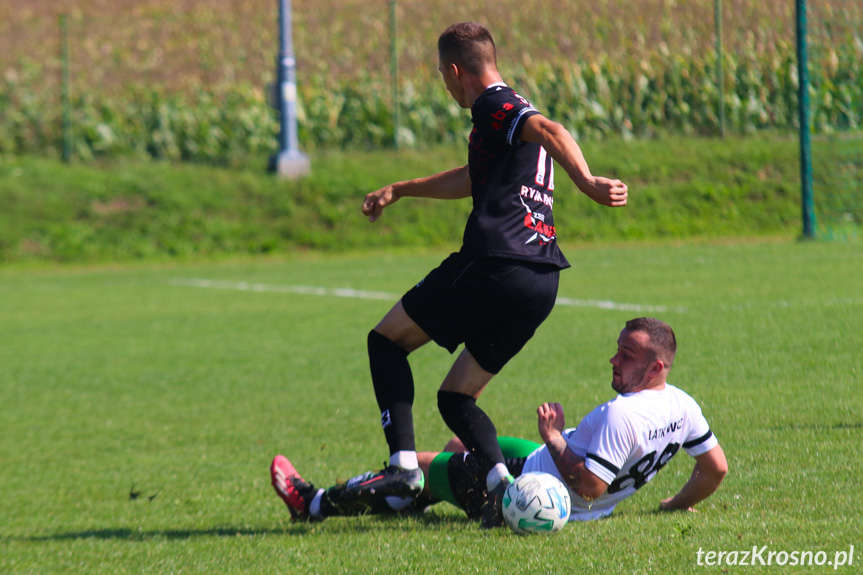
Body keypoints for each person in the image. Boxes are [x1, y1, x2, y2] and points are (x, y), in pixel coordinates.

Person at [351, 22, 629, 527]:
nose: (445, 85)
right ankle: (505, 493)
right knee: (456, 397)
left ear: (457, 71)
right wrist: (401, 188)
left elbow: (551, 130)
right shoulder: (502, 120)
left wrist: (587, 183)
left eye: (442, 75)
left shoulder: (492, 103)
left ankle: (403, 471)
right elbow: (470, 177)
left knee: (385, 342)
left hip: (495, 263)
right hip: (541, 280)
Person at [271, 318, 727, 524]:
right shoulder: (683, 406)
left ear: (655, 369)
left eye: (626, 355)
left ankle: (312, 503)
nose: (613, 359)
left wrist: (551, 437)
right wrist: (673, 503)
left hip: (530, 491)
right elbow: (716, 468)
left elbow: (591, 486)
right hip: (540, 468)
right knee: (457, 445)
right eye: (618, 348)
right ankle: (408, 504)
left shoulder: (621, 414)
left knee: (418, 468)